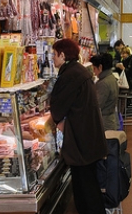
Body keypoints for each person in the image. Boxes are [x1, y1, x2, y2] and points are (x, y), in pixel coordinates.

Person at [49, 38, 108, 214]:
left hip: (82, 144)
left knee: (86, 191)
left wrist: (58, 121)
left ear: (62, 54)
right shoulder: (79, 71)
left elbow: (57, 109)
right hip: (89, 140)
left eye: (54, 54)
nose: (53, 58)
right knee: (89, 188)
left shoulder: (70, 75)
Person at [91, 52, 120, 131]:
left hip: (104, 122)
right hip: (111, 119)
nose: (94, 72)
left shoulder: (103, 84)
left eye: (94, 69)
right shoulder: (111, 78)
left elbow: (97, 105)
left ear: (100, 67)